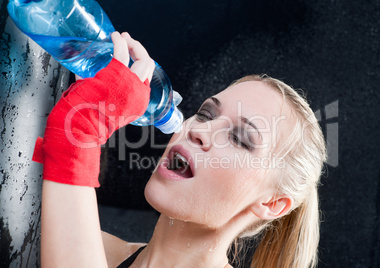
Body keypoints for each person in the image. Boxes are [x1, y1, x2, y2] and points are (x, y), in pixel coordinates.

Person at [34, 31, 327, 268]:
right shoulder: (90, 249)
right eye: (206, 114)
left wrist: (80, 128)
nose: (198, 130)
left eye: (239, 139)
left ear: (272, 204)